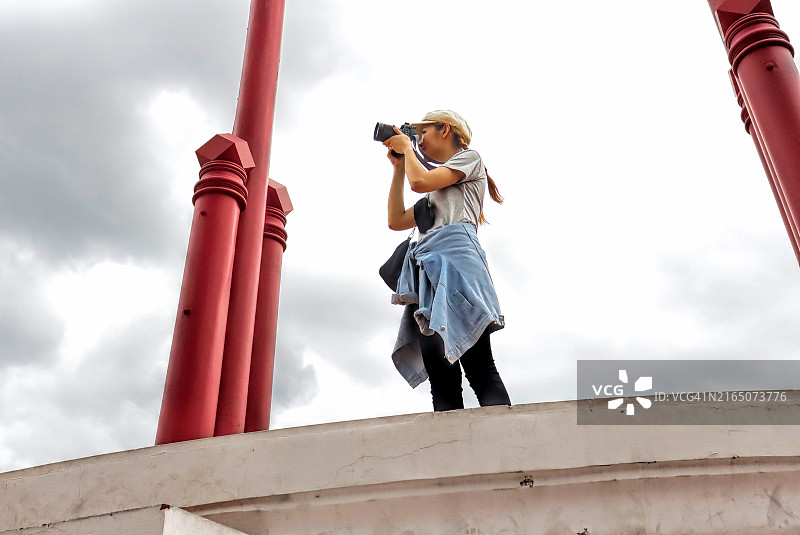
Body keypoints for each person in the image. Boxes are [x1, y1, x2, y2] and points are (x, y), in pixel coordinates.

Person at [383, 109, 511, 412]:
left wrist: (405, 149)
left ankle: (506, 447)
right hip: (428, 276)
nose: (418, 140)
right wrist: (399, 167)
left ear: (445, 130)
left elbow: (421, 182)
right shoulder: (432, 190)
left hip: (458, 268)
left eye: (423, 132)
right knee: (441, 375)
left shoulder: (470, 158)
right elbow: (395, 219)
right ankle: (451, 452)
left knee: (479, 367)